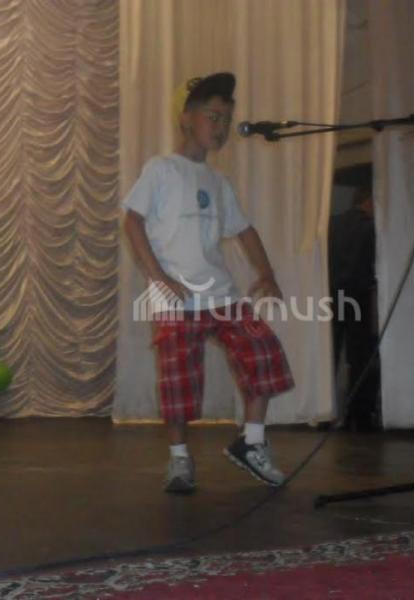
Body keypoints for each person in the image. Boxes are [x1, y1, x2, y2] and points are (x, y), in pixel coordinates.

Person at [122, 72, 295, 494]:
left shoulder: (219, 183)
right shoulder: (161, 169)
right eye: (212, 117)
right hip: (175, 297)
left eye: (226, 120)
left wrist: (267, 273)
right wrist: (158, 276)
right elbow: (132, 221)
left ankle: (251, 442)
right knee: (179, 381)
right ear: (186, 118)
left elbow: (245, 230)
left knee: (263, 353)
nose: (220, 127)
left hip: (221, 294)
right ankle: (180, 458)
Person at [328, 185, 379, 431]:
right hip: (358, 295)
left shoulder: (332, 224)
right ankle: (359, 414)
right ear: (368, 202)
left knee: (330, 352)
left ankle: (324, 411)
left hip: (331, 294)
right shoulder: (371, 227)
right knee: (360, 355)